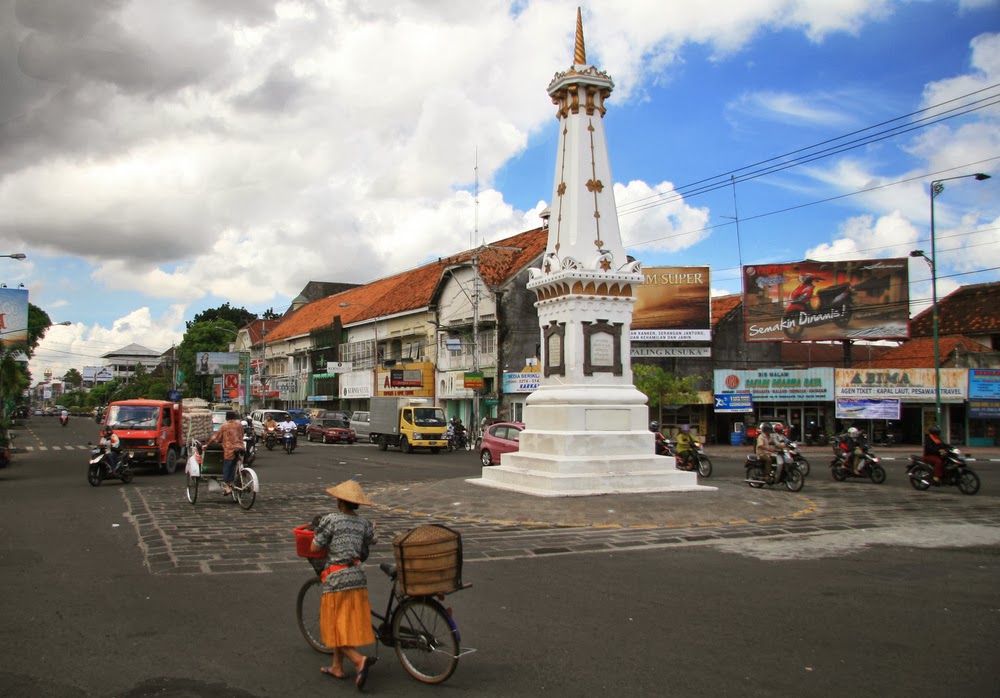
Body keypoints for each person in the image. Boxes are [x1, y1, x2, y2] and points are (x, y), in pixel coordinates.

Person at [310, 480, 379, 688]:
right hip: (357, 577)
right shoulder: (363, 523)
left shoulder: (331, 520)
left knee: (333, 625)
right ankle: (337, 667)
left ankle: (358, 660)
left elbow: (314, 548)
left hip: (337, 578)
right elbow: (373, 539)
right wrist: (372, 528)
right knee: (343, 622)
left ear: (340, 502)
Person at [205, 411, 244, 496]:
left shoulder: (224, 426)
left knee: (228, 467)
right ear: (234, 417)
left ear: (226, 418)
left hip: (230, 450)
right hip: (240, 447)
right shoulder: (239, 425)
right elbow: (242, 435)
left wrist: (207, 445)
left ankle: (228, 487)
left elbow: (215, 437)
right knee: (237, 463)